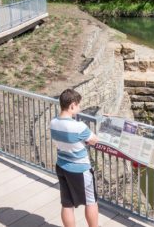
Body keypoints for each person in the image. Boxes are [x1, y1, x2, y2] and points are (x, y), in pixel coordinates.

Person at [50, 89, 99, 227]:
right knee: (91, 201)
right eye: (78, 105)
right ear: (72, 105)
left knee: (67, 204)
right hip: (80, 169)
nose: (79, 108)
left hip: (61, 165)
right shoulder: (79, 127)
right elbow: (94, 140)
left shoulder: (53, 123)